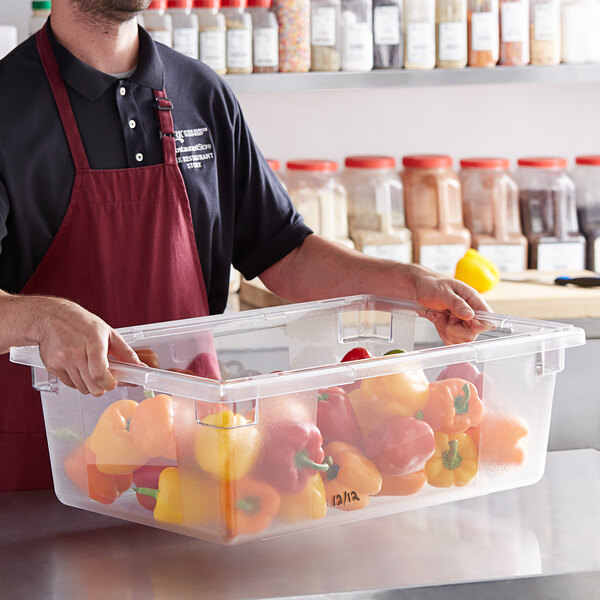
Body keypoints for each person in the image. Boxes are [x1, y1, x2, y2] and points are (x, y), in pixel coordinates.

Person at [0, 0, 491, 491]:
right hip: (49, 462)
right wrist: (44, 319)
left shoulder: (200, 93)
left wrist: (409, 283)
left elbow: (287, 255)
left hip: (197, 456)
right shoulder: (7, 103)